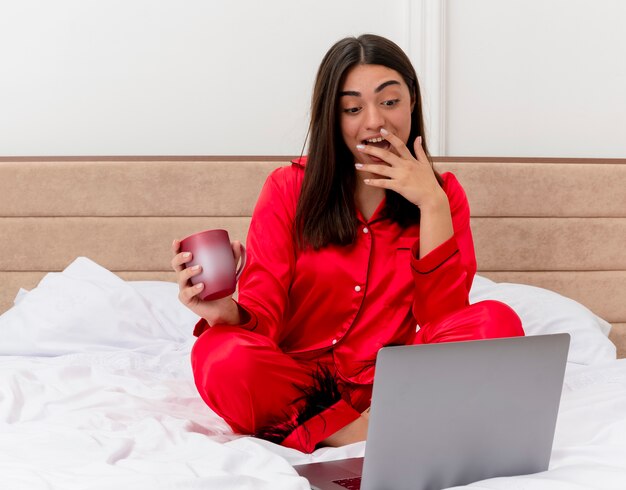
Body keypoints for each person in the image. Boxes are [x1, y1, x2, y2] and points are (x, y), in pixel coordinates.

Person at [171, 34, 524, 453]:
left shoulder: (444, 195)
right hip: (300, 387)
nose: (374, 121)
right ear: (332, 119)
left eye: (389, 102)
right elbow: (264, 313)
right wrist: (226, 312)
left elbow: (441, 319)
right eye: (353, 109)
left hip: (395, 385)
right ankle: (360, 432)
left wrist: (431, 203)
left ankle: (332, 431)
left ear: (412, 104)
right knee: (220, 353)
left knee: (496, 322)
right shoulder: (288, 189)